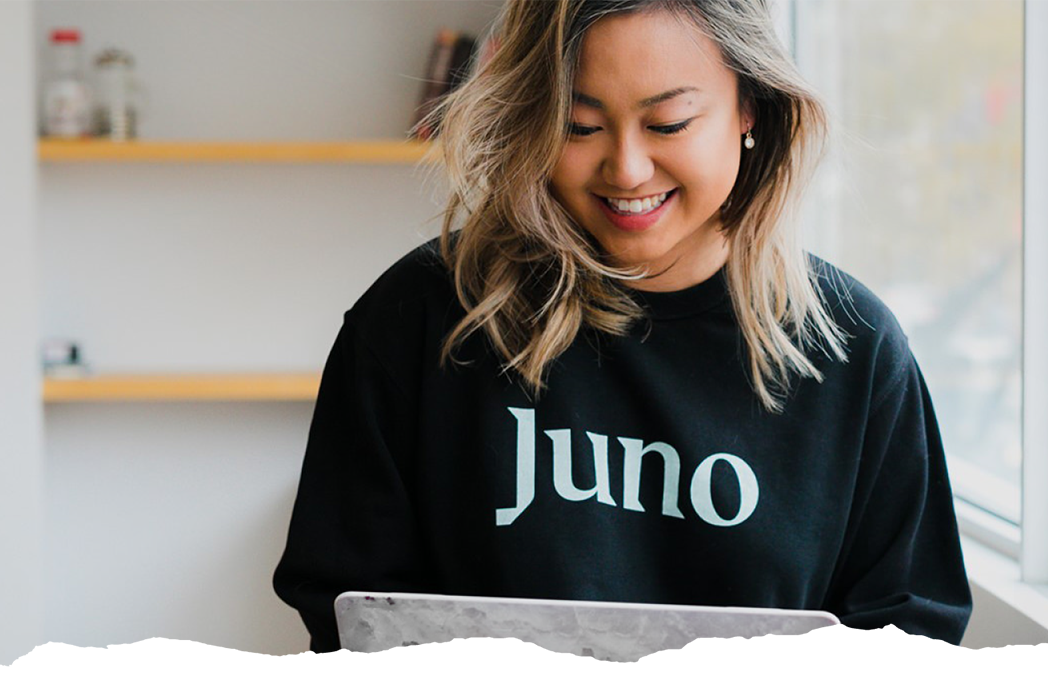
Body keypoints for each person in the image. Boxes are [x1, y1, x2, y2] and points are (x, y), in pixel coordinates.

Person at [273, 0, 971, 654]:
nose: (627, 168)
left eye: (668, 124)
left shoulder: (855, 349)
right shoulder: (417, 317)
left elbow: (906, 631)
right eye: (579, 126)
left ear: (750, 108)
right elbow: (347, 610)